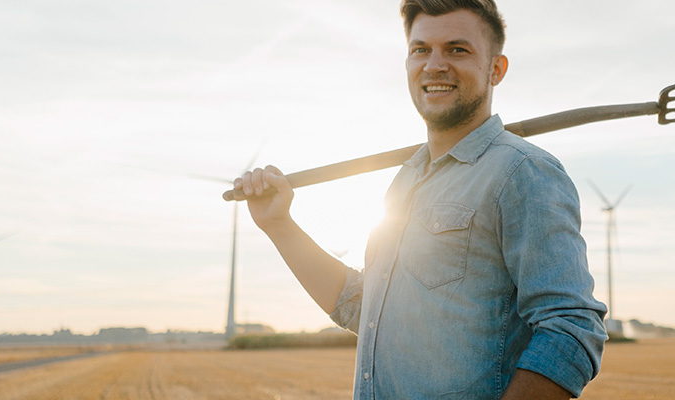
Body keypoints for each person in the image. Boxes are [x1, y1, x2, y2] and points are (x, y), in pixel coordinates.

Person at [235, 0, 607, 398]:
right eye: (420, 50)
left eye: (457, 49)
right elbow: (367, 309)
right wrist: (279, 226)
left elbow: (570, 330)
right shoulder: (407, 180)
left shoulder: (522, 173)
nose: (434, 65)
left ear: (495, 69)